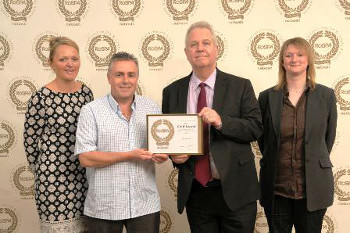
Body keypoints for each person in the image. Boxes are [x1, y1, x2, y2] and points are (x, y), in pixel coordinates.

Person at [162, 21, 262, 233]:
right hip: (197, 192)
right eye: (194, 44)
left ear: (216, 49)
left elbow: (255, 128)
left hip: (237, 190)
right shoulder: (172, 91)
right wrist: (174, 156)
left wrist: (222, 121)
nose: (200, 48)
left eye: (206, 43)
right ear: (187, 53)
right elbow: (169, 137)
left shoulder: (240, 85)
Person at [74, 52, 168, 233]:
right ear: (109, 78)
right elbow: (86, 158)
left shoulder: (151, 108)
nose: (126, 80)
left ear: (137, 77)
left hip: (144, 204)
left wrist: (162, 154)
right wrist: (129, 155)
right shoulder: (91, 111)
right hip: (104, 206)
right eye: (119, 75)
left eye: (131, 75)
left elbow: (161, 146)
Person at [257, 37, 337, 233]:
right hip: (277, 189)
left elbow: (328, 138)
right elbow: (263, 139)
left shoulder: (326, 95)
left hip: (313, 189)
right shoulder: (267, 97)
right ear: (282, 62)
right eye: (289, 55)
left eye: (300, 54)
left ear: (308, 59)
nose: (294, 59)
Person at [23, 36, 94, 232]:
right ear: (51, 63)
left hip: (85, 179)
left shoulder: (86, 93)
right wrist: (45, 171)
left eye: (74, 58)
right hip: (52, 183)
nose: (70, 64)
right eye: (63, 59)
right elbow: (30, 143)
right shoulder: (40, 98)